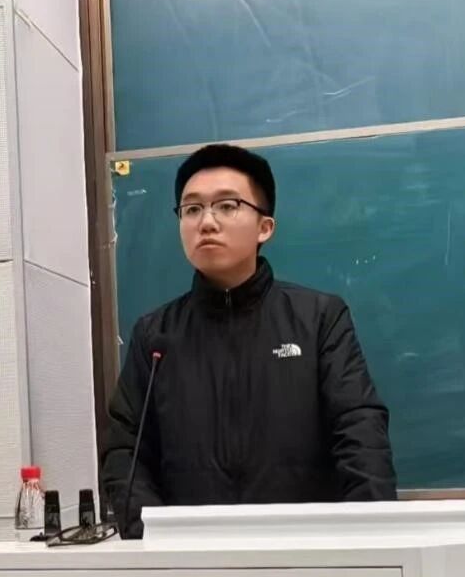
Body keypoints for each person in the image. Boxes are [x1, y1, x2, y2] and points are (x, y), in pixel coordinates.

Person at [101, 144, 396, 538]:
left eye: (227, 206)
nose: (207, 222)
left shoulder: (319, 319)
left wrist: (370, 540)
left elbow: (360, 436)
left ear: (265, 227)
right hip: (189, 557)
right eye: (192, 209)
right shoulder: (155, 336)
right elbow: (124, 453)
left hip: (306, 551)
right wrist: (153, 540)